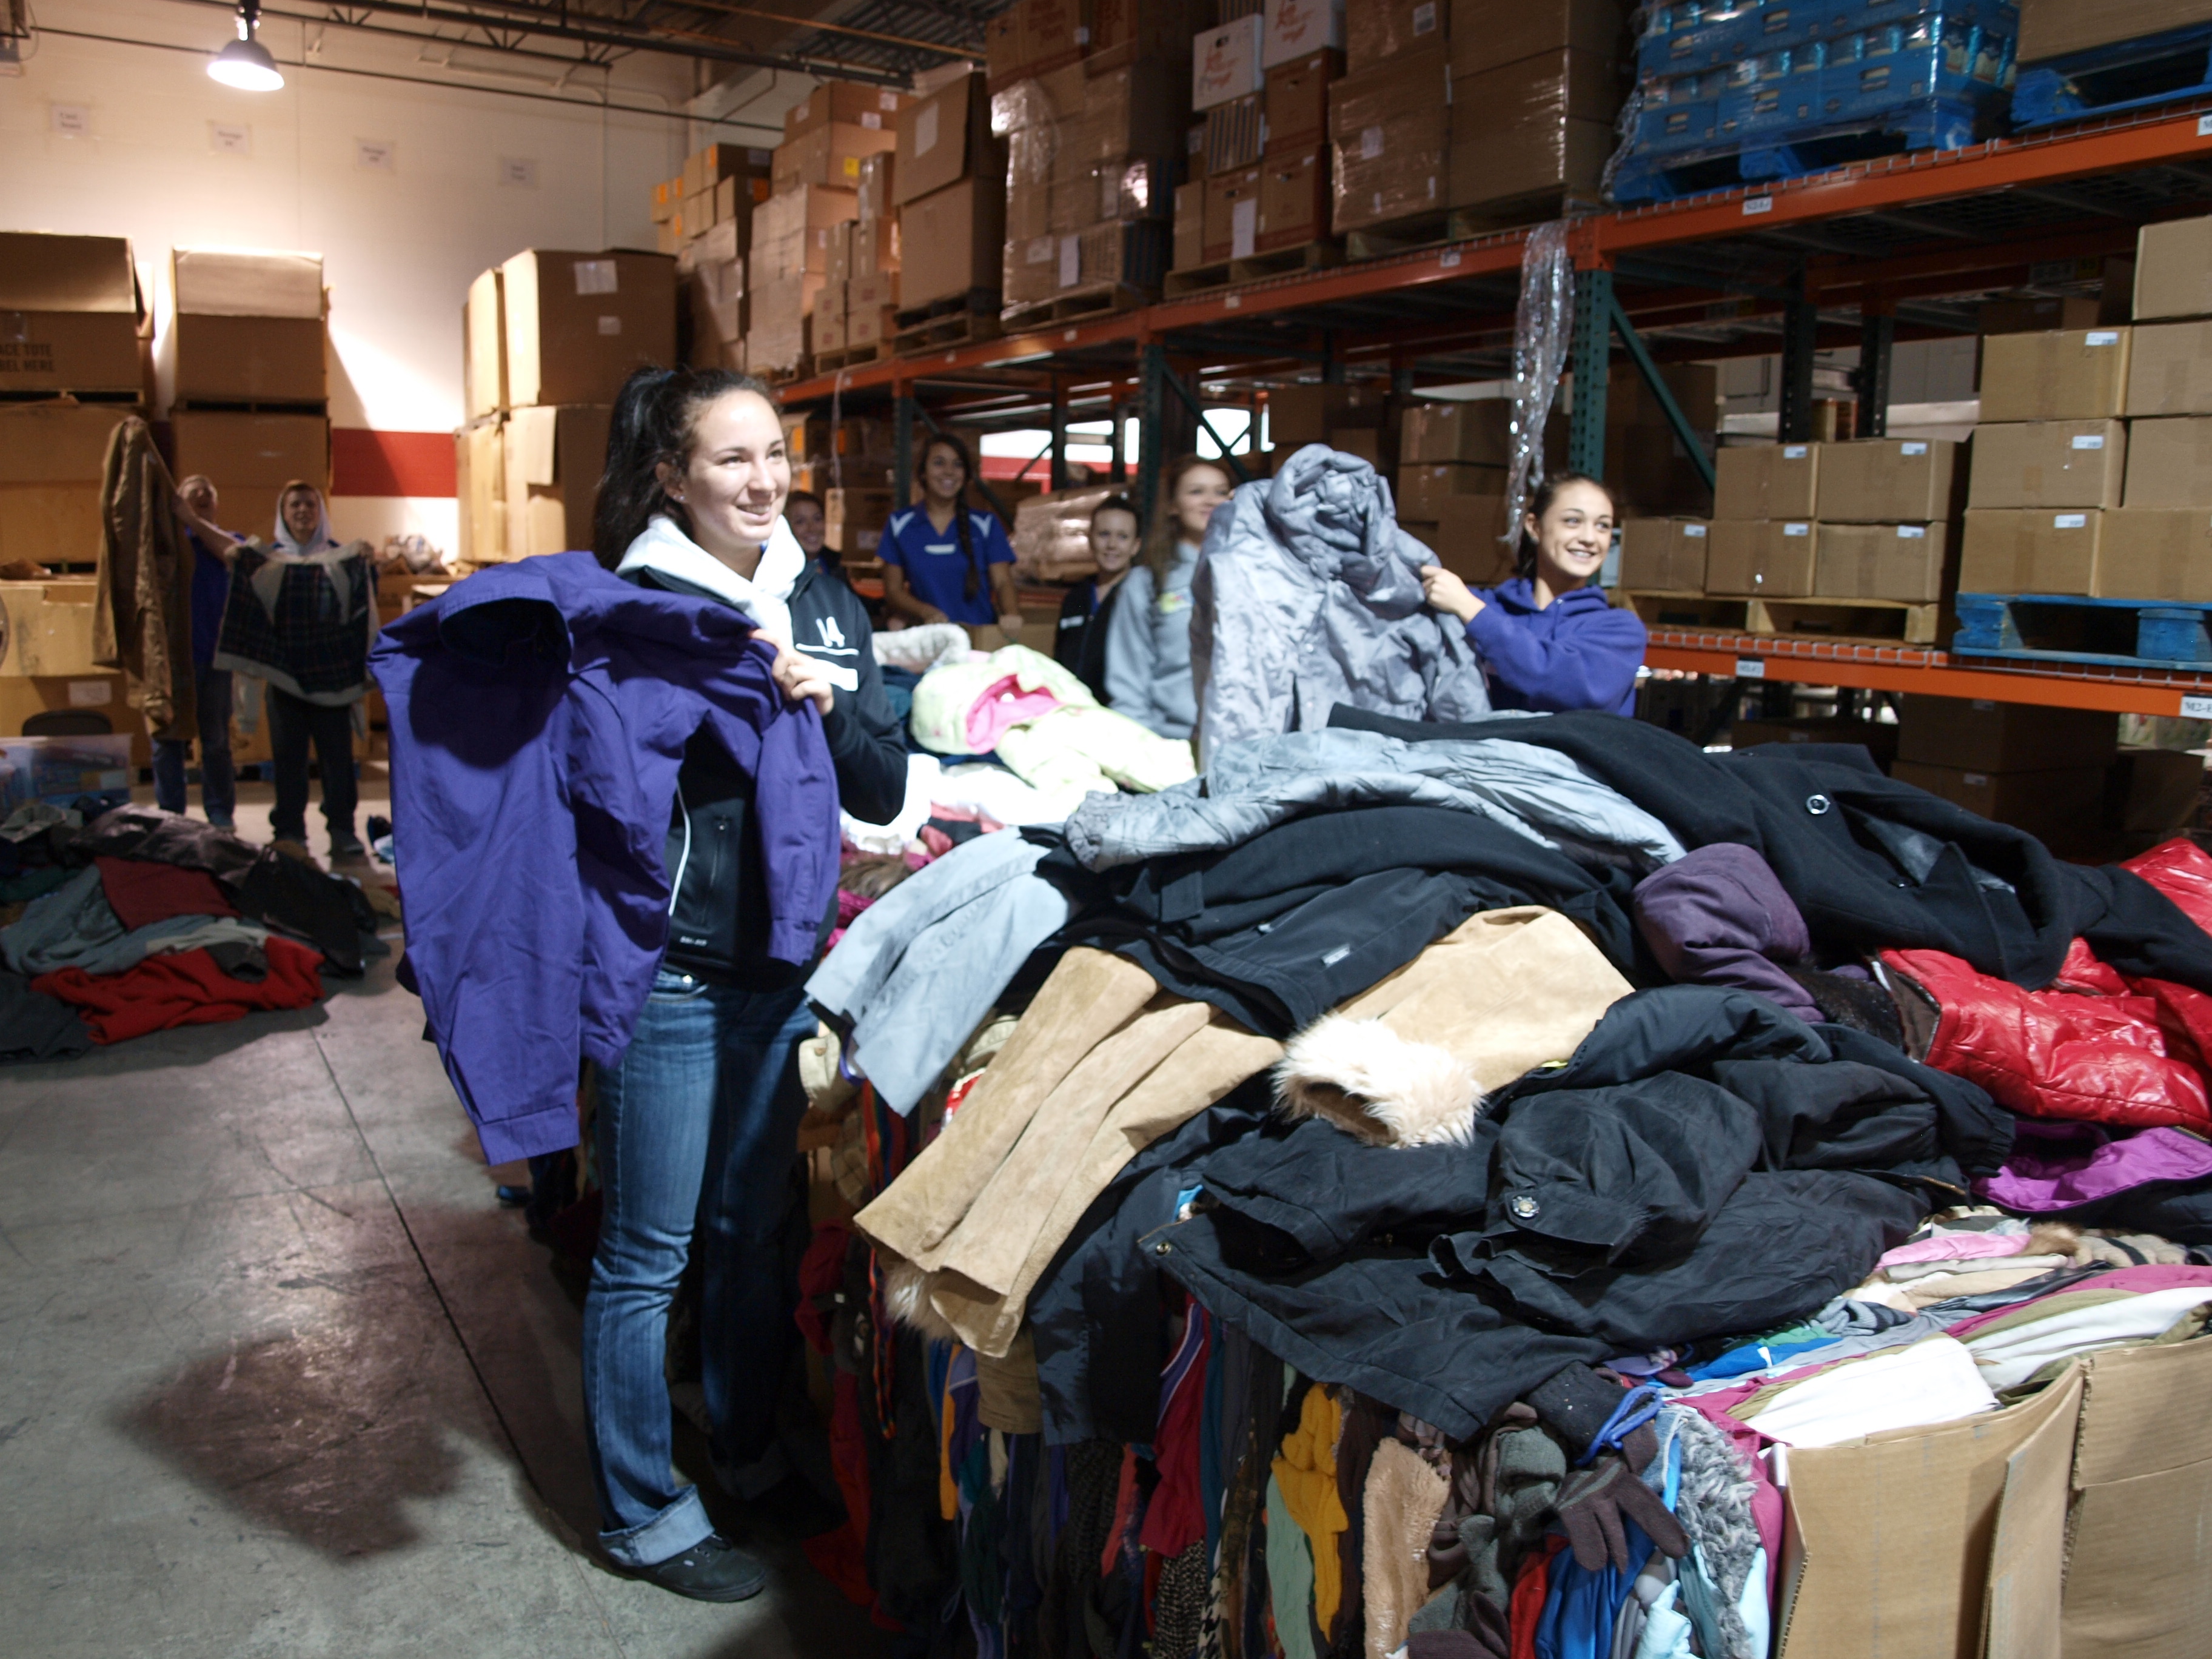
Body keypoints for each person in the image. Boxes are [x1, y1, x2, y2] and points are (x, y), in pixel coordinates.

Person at [586, 365, 905, 1603]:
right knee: (647, 1252)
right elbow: (598, 797)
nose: (764, 480)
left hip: (780, 969)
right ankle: (639, 1510)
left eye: (775, 453)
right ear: (673, 477)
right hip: (669, 973)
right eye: (732, 458)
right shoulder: (637, 609)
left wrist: (824, 710)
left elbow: (881, 786)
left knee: (753, 1228)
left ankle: (748, 1447)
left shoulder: (820, 599)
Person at [1419, 471, 1647, 717]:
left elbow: (1567, 685)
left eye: (1603, 526)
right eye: (1573, 521)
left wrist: (1474, 614)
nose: (1589, 538)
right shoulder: (1482, 605)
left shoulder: (1620, 630)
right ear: (1534, 527)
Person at [263, 481, 366, 860]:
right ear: (283, 513)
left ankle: (342, 830)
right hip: (284, 679)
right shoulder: (268, 563)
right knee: (288, 761)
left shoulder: (341, 559)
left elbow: (359, 613)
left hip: (331, 679)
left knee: (337, 760)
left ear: (320, 512)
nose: (303, 511)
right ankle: (290, 832)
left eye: (310, 504)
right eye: (295, 505)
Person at [1105, 455, 1231, 740]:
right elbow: (1128, 680)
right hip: (1172, 742)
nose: (1210, 501)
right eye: (1196, 492)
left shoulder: (1249, 577)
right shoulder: (1148, 582)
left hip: (1239, 742)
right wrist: (1142, 748)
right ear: (1173, 505)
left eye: (1220, 492)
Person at [155, 474, 239, 830]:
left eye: (208, 492)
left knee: (216, 742)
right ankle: (172, 817)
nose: (202, 494)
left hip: (214, 659)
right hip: (171, 662)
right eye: (193, 493)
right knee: (167, 741)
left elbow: (234, 555)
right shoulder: (168, 546)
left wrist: (193, 520)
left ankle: (220, 816)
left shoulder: (226, 540)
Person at [879, 434, 1024, 638]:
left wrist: (1012, 614)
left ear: (966, 475)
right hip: (926, 640)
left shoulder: (985, 525)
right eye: (939, 463)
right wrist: (926, 612)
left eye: (958, 465)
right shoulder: (900, 525)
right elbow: (893, 591)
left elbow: (1003, 582)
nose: (949, 471)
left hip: (979, 640)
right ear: (923, 473)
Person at [1053, 493, 1139, 704]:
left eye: (1123, 537)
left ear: (1136, 545)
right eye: (1104, 534)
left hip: (1121, 713)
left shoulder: (1140, 598)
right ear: (1090, 539)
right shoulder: (1076, 598)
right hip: (1073, 709)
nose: (1112, 545)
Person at [785, 488, 830, 572]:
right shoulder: (778, 571)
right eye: (800, 522)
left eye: (817, 519)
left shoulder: (838, 565)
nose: (812, 528)